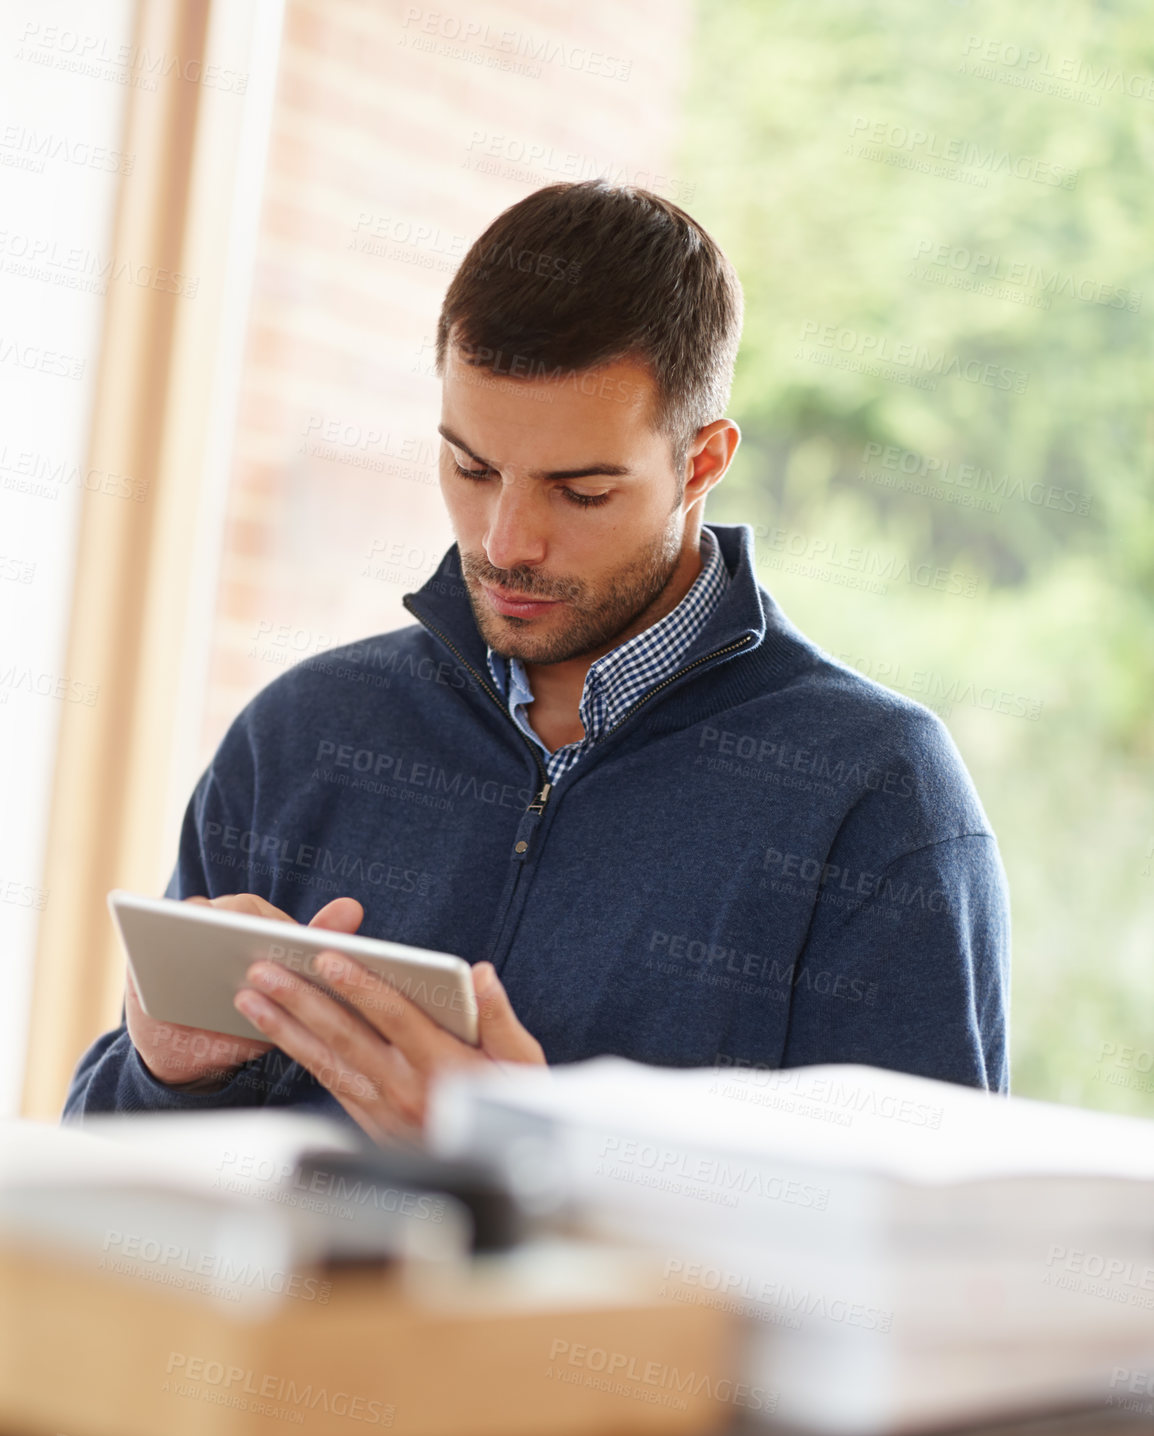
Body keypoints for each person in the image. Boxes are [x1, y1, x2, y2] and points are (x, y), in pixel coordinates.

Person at [64, 181, 1010, 1140]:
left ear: (703, 462)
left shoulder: (875, 796)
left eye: (580, 491)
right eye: (472, 469)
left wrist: (536, 1158)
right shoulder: (302, 733)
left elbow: (932, 1261)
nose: (507, 541)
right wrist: (163, 1077)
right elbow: (101, 1195)